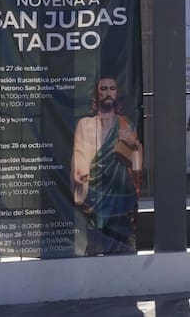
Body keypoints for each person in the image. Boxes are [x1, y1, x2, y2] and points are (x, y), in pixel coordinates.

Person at [72, 76, 143, 255]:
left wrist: (134, 142)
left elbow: (137, 163)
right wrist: (80, 173)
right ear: (96, 94)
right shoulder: (85, 124)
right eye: (103, 89)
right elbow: (79, 154)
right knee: (95, 244)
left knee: (122, 245)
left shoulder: (126, 123)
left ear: (117, 93)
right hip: (95, 194)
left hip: (120, 194)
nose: (108, 93)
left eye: (112, 88)